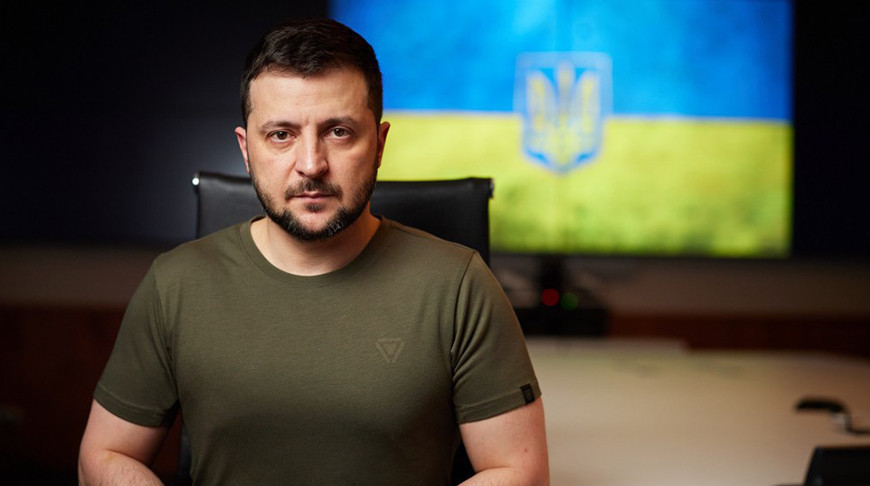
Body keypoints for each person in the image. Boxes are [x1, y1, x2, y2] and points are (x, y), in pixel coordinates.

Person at [78, 18, 548, 485]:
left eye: (338, 131)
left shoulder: (459, 286)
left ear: (379, 144)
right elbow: (104, 455)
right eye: (281, 134)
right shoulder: (175, 283)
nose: (311, 164)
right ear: (246, 150)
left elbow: (519, 470)